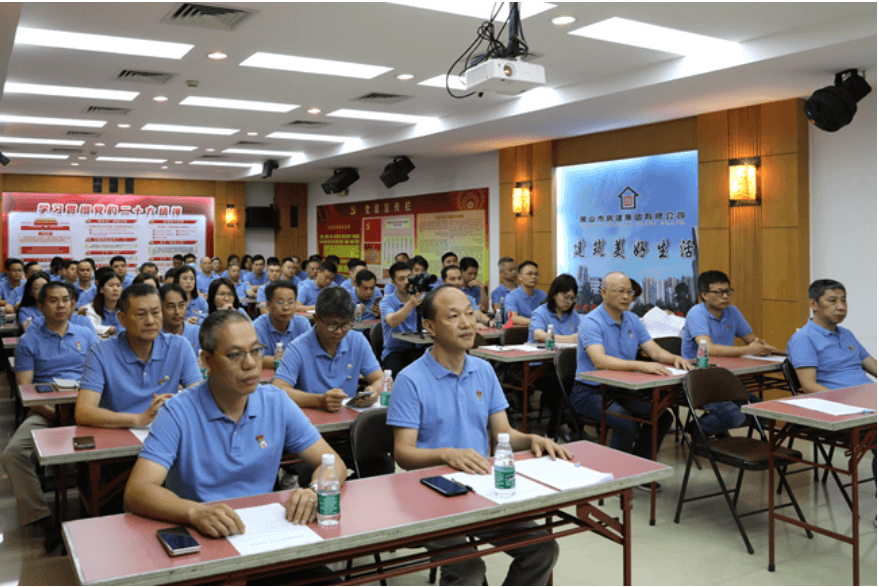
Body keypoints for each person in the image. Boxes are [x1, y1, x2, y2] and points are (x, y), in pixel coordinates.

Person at [387, 286, 568, 586]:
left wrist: (532, 440)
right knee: (469, 570)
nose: (467, 323)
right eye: (454, 316)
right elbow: (403, 454)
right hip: (430, 494)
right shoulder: (410, 380)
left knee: (543, 548)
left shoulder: (483, 370)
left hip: (480, 486)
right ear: (429, 326)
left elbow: (504, 434)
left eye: (470, 314)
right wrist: (447, 454)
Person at [123, 310, 347, 539]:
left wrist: (315, 491)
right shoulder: (177, 412)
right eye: (235, 355)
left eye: (256, 351)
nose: (250, 363)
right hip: (205, 534)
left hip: (266, 531)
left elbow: (332, 463)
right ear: (207, 360)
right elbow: (138, 491)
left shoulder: (276, 402)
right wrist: (194, 512)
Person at [1, 281, 99, 553]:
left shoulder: (86, 335)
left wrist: (83, 411)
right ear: (41, 306)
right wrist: (55, 414)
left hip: (86, 409)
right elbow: (25, 388)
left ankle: (102, 505)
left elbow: (100, 377)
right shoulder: (29, 341)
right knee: (13, 453)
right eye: (53, 301)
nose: (61, 305)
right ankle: (43, 518)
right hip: (46, 411)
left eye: (66, 300)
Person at [571, 272, 692, 486]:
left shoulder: (632, 319)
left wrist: (674, 358)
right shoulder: (591, 322)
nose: (627, 297)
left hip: (623, 389)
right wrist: (641, 365)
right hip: (589, 391)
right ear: (604, 293)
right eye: (620, 292)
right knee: (625, 421)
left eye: (630, 292)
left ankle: (637, 467)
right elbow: (600, 361)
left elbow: (654, 351)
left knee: (662, 416)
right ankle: (617, 477)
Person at [76, 284, 202, 429]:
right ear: (122, 319)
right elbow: (83, 412)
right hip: (118, 438)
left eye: (156, 313)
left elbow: (198, 398)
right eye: (141, 314)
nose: (150, 321)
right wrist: (139, 419)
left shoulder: (179, 346)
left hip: (164, 435)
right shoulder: (101, 353)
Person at [680, 270, 779, 436]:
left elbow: (751, 339)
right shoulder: (696, 313)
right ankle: (695, 430)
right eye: (718, 292)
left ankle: (711, 428)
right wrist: (748, 350)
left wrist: (761, 346)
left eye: (727, 291)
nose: (725, 296)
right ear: (704, 294)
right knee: (735, 417)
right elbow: (708, 348)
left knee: (763, 413)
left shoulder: (732, 311)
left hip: (726, 377)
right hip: (699, 378)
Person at [274, 286, 383, 415]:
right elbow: (278, 389)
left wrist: (374, 391)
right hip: (310, 424)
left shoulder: (357, 341)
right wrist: (319, 400)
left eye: (345, 325)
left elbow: (380, 378)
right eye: (332, 325)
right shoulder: (298, 348)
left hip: (348, 419)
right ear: (316, 319)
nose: (338, 331)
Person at [788, 279, 877, 392]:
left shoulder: (846, 333)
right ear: (814, 304)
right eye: (832, 301)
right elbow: (809, 386)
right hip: (842, 400)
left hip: (869, 394)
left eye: (843, 300)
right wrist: (843, 402)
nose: (841, 307)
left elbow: (873, 366)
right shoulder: (804, 338)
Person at [379, 261, 425, 377]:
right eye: (401, 279)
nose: (407, 282)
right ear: (393, 282)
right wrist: (411, 304)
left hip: (419, 348)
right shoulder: (387, 301)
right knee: (401, 377)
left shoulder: (421, 299)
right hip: (395, 351)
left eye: (409, 277)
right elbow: (392, 321)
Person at [253, 281, 311, 370]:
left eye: (291, 302)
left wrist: (276, 361)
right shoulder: (257, 327)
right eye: (280, 302)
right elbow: (255, 359)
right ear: (268, 305)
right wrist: (289, 361)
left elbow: (310, 354)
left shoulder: (302, 323)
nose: (286, 308)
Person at [529, 274, 581, 344]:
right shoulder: (540, 312)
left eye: (572, 298)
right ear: (554, 294)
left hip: (566, 354)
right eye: (565, 297)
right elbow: (538, 335)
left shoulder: (573, 314)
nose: (569, 302)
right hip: (543, 354)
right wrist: (570, 339)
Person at [160, 284, 201, 358]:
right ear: (160, 308)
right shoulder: (155, 336)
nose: (177, 312)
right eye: (171, 306)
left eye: (181, 305)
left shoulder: (197, 334)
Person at [505, 261, 547, 326]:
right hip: (521, 332)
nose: (533, 277)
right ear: (519, 277)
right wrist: (537, 321)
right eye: (529, 274)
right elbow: (513, 318)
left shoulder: (542, 294)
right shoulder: (511, 296)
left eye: (536, 274)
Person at [84, 268, 124, 335]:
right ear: (101, 289)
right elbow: (91, 327)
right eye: (111, 285)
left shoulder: (127, 307)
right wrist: (110, 329)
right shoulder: (90, 308)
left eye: (118, 285)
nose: (115, 289)